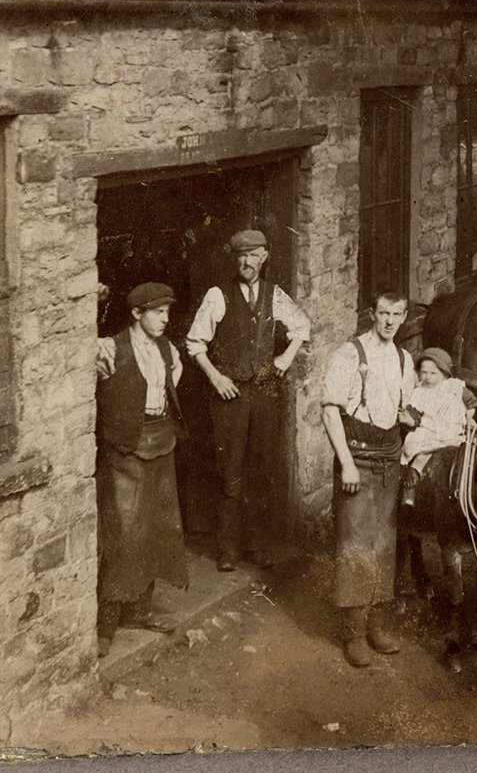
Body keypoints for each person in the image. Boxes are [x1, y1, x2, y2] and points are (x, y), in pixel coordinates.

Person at [186, 229, 310, 572]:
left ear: (264, 257)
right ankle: (227, 549)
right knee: (230, 471)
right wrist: (216, 377)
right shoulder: (218, 295)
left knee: (261, 468)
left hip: (265, 392)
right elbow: (195, 343)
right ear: (234, 259)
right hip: (231, 394)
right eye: (241, 255)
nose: (247, 262)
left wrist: (285, 358)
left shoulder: (275, 295)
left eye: (254, 255)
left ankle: (258, 545)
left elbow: (302, 327)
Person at [320, 290, 417, 667]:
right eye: (383, 313)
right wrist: (345, 463)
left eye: (397, 314)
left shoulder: (403, 358)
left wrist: (412, 417)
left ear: (404, 316)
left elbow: (401, 409)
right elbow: (330, 412)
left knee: (384, 542)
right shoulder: (350, 354)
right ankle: (353, 634)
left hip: (388, 459)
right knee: (356, 543)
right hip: (357, 458)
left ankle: (377, 625)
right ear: (372, 314)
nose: (389, 321)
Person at [94, 283, 189, 657]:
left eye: (168, 312)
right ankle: (106, 621)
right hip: (125, 449)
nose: (165, 319)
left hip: (160, 441)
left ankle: (139, 609)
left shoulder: (168, 349)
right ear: (137, 313)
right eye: (158, 312)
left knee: (157, 527)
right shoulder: (110, 349)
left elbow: (170, 385)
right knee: (123, 531)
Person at [398, 347, 470, 506]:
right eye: (423, 372)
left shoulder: (453, 387)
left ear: (444, 373)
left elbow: (472, 402)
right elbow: (414, 412)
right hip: (425, 428)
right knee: (417, 448)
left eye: (433, 373)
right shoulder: (419, 391)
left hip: (448, 427)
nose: (427, 377)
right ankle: (410, 488)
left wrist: (470, 417)